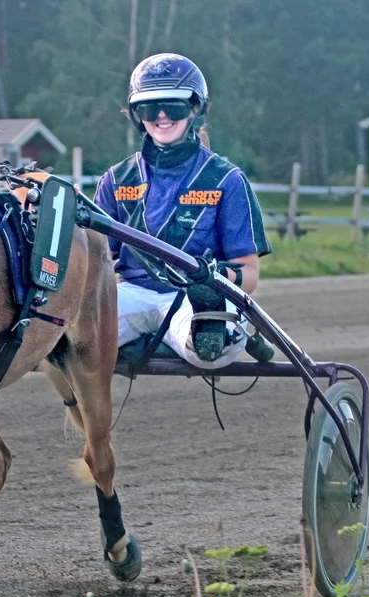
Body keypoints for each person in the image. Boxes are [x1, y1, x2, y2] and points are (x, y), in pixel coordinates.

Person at [93, 52, 274, 368]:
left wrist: (211, 279)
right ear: (138, 115)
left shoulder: (227, 180)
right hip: (132, 294)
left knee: (208, 353)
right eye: (150, 107)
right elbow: (96, 262)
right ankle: (156, 337)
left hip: (195, 300)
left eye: (173, 106)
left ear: (196, 109)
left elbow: (250, 273)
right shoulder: (115, 179)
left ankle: (199, 331)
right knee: (69, 338)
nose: (162, 115)